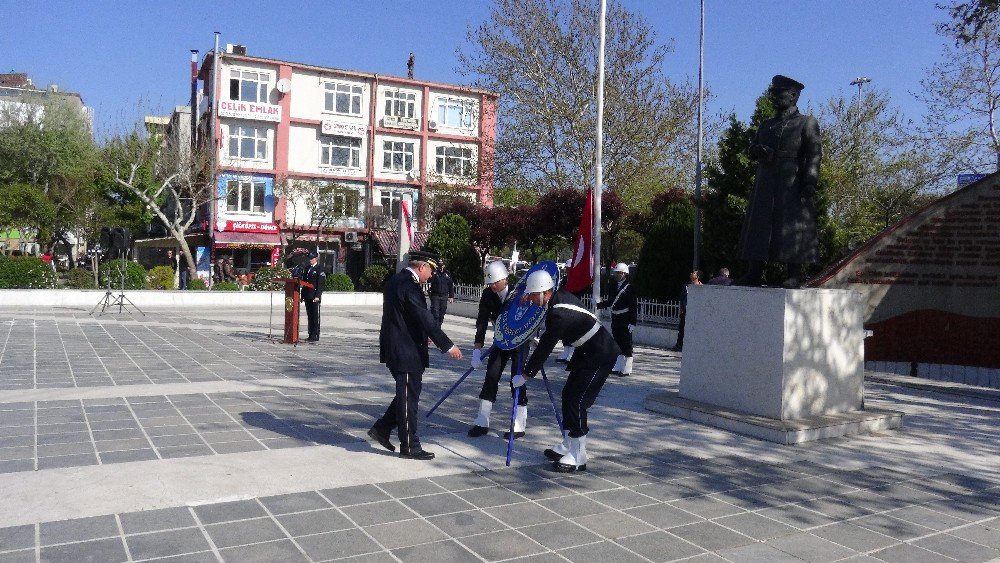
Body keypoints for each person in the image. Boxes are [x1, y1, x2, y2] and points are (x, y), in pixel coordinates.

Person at [515, 270, 620, 472]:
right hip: (586, 352)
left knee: (577, 401)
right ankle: (568, 444)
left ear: (545, 293)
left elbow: (546, 346)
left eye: (533, 294)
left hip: (600, 354)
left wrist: (526, 374)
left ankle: (579, 455)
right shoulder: (556, 299)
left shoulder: (559, 314)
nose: (530, 298)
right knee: (567, 394)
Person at [368, 250, 462, 460]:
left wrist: (421, 334)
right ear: (422, 267)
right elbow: (425, 318)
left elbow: (404, 317)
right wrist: (448, 345)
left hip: (396, 347)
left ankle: (382, 429)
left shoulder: (395, 281)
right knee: (409, 399)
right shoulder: (410, 287)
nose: (431, 276)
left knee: (406, 394)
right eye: (431, 271)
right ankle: (410, 446)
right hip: (406, 352)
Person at [738, 75, 821, 288]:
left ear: (793, 95)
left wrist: (810, 180)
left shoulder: (806, 122)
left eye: (778, 93)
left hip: (791, 178)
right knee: (759, 222)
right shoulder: (767, 124)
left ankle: (794, 272)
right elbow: (752, 148)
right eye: (772, 93)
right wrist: (757, 150)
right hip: (766, 178)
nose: (773, 97)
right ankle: (754, 270)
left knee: (791, 223)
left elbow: (814, 153)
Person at [468, 261, 530, 439]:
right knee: (491, 376)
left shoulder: (521, 291)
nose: (493, 286)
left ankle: (518, 424)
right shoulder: (488, 294)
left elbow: (534, 313)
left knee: (516, 379)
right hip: (501, 340)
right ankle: (482, 421)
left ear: (505, 278)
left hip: (520, 340)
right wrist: (477, 349)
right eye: (490, 283)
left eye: (495, 282)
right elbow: (482, 321)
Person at [597, 262, 637, 376]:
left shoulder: (630, 288)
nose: (617, 275)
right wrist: (598, 304)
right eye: (616, 273)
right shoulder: (613, 286)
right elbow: (610, 302)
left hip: (625, 318)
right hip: (615, 317)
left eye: (619, 273)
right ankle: (618, 366)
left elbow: (633, 306)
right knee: (617, 341)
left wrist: (632, 322)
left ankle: (627, 368)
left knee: (626, 343)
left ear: (625, 274)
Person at [297, 251, 326, 342]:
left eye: (312, 258)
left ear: (316, 258)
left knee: (315, 316)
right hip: (307, 295)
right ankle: (310, 334)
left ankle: (315, 335)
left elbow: (320, 284)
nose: (310, 260)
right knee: (309, 316)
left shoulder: (319, 269)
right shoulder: (307, 268)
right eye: (309, 258)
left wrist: (318, 296)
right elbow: (304, 283)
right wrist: (302, 296)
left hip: (314, 296)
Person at [671, 271, 702, 352]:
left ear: (698, 276)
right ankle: (679, 345)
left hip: (695, 311)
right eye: (691, 273)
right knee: (682, 328)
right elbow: (682, 298)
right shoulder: (686, 286)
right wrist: (681, 309)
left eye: (694, 273)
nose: (691, 274)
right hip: (686, 310)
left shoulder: (701, 287)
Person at [428, 260, 454, 329]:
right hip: (435, 296)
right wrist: (433, 273)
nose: (441, 267)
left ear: (444, 265)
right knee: (435, 313)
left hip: (444, 296)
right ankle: (434, 328)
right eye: (439, 265)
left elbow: (450, 285)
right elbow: (429, 280)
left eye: (442, 265)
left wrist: (451, 296)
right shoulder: (435, 273)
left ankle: (438, 328)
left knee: (442, 314)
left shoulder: (447, 274)